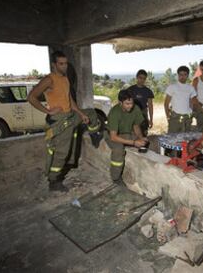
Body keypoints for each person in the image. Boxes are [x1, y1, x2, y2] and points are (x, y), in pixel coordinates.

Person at [27, 51, 101, 192]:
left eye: (66, 63)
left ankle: (94, 135)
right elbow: (31, 97)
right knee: (62, 153)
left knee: (90, 113)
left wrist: (80, 113)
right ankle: (53, 181)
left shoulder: (65, 79)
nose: (64, 66)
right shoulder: (49, 79)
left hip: (71, 115)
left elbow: (70, 100)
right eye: (61, 63)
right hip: (59, 120)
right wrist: (48, 111)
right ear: (54, 65)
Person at [105, 89, 148, 184]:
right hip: (111, 134)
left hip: (126, 133)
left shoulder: (135, 108)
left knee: (145, 141)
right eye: (127, 104)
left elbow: (136, 126)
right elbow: (113, 137)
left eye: (131, 103)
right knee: (119, 149)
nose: (130, 106)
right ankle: (116, 178)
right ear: (120, 102)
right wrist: (133, 142)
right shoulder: (114, 112)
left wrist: (140, 138)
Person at [164, 66, 198, 133]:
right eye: (181, 75)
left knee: (186, 139)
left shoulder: (190, 88)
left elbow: (193, 102)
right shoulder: (172, 87)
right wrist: (168, 117)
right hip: (175, 117)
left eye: (185, 74)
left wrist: (191, 114)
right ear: (178, 75)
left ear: (187, 75)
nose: (182, 77)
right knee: (172, 139)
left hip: (187, 118)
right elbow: (166, 103)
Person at [127, 69, 154, 136]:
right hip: (131, 113)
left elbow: (150, 106)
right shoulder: (130, 89)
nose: (142, 80)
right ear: (137, 77)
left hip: (143, 114)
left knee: (143, 134)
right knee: (132, 134)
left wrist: (150, 119)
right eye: (140, 78)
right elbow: (125, 104)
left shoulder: (148, 91)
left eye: (144, 78)